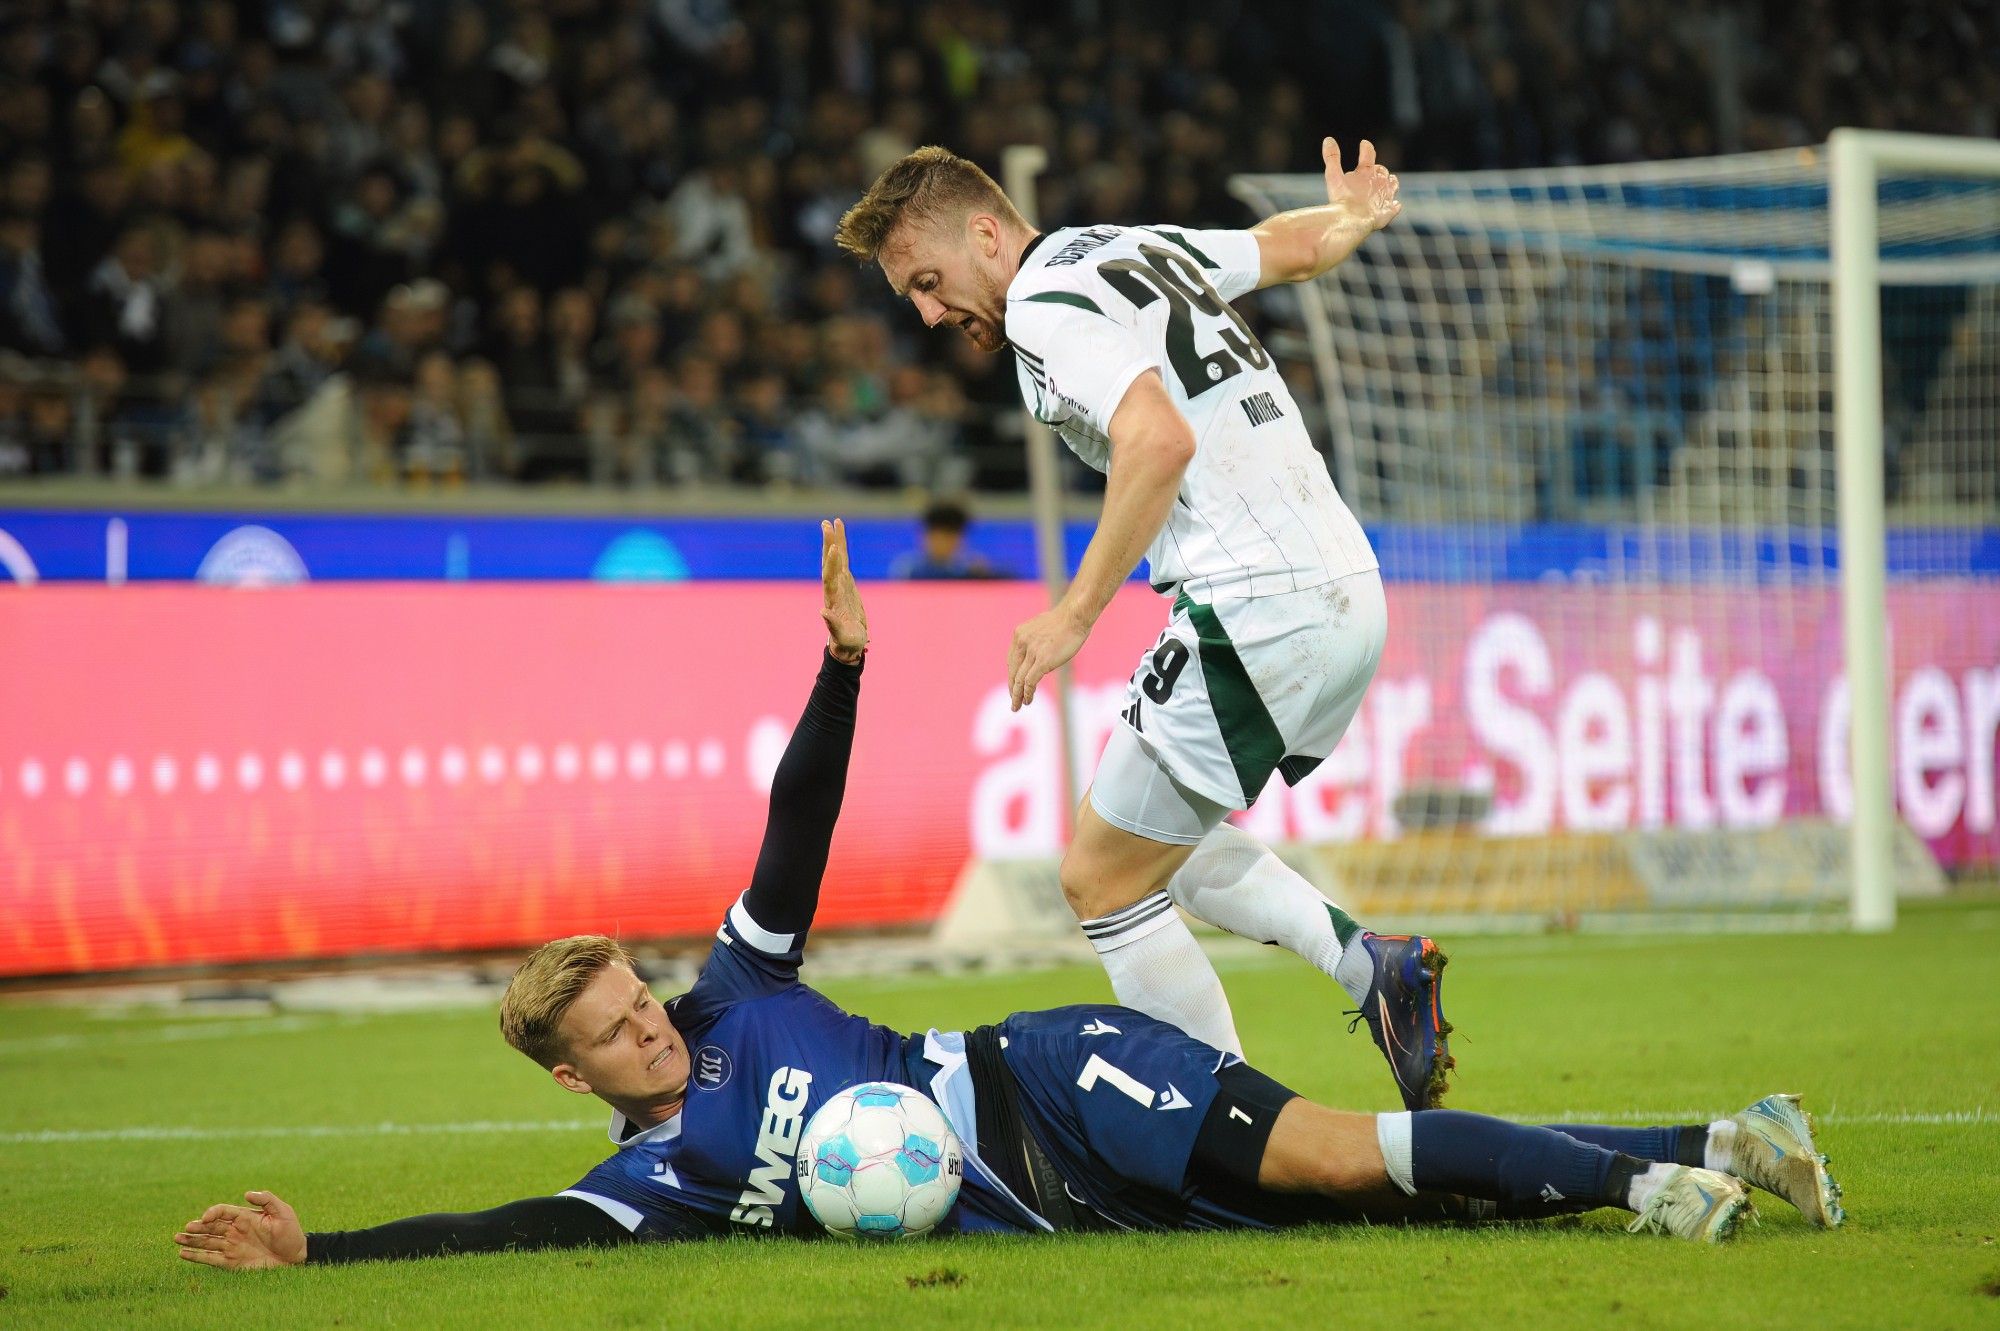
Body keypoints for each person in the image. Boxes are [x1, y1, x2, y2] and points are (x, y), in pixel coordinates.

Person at [172, 525, 1842, 1269]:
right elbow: (509, 1236)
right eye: (616, 1043)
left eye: (635, 1004)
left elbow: (793, 835)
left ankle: (1655, 1190)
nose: (650, 1040)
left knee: (1348, 1154)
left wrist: (839, 674)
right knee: (1369, 1199)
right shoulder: (654, 1181)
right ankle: (1718, 1140)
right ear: (576, 1081)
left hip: (1044, 1078)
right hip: (1065, 1207)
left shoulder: (735, 999)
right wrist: (327, 1253)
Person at [835, 141, 1446, 1107]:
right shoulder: (1122, 247)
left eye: (927, 279)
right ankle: (1375, 971)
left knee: (1098, 879)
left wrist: (1074, 614)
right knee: (1156, 833)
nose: (927, 311)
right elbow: (1280, 249)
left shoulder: (1041, 304)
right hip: (1345, 584)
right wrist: (1354, 222)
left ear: (987, 235)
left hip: (1260, 600)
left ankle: (1238, 1134)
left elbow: (1157, 439)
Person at [888, 498, 998, 580]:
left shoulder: (974, 568)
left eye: (949, 538)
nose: (943, 544)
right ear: (925, 536)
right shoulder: (908, 569)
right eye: (937, 537)